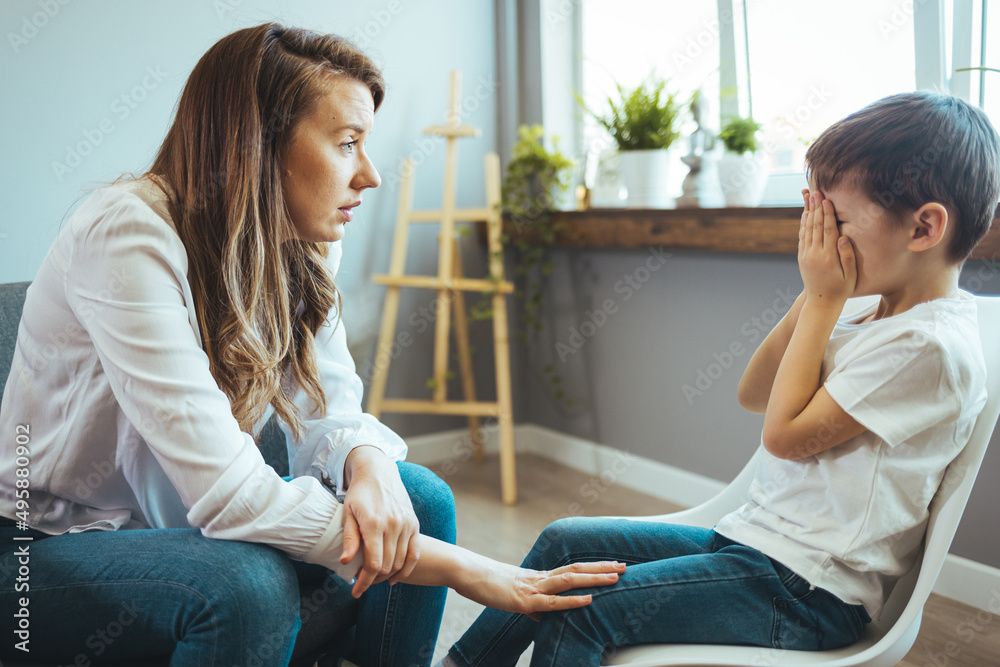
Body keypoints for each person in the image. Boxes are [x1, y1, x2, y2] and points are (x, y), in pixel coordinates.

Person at [0, 24, 623, 667]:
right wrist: (466, 570)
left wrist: (370, 466)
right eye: (348, 143)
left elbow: (327, 400)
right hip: (41, 544)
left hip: (172, 521)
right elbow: (229, 495)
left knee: (421, 500)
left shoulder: (298, 236)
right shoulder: (125, 233)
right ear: (257, 145)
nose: (372, 175)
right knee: (248, 588)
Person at [437, 91, 1000, 667]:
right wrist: (817, 296)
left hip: (807, 592)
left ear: (925, 227)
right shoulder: (864, 309)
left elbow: (783, 436)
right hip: (752, 546)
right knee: (564, 543)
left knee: (583, 605)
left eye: (838, 220)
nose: (821, 237)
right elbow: (754, 394)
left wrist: (827, 295)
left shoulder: (928, 346)